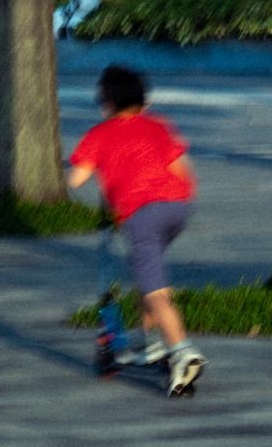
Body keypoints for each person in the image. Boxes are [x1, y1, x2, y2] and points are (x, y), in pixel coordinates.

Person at [67, 66, 207, 397]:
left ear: (107, 101)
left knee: (155, 293)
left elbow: (76, 179)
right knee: (151, 279)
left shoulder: (100, 134)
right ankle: (148, 343)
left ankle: (182, 351)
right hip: (178, 208)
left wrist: (92, 166)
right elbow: (183, 171)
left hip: (142, 215)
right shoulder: (158, 125)